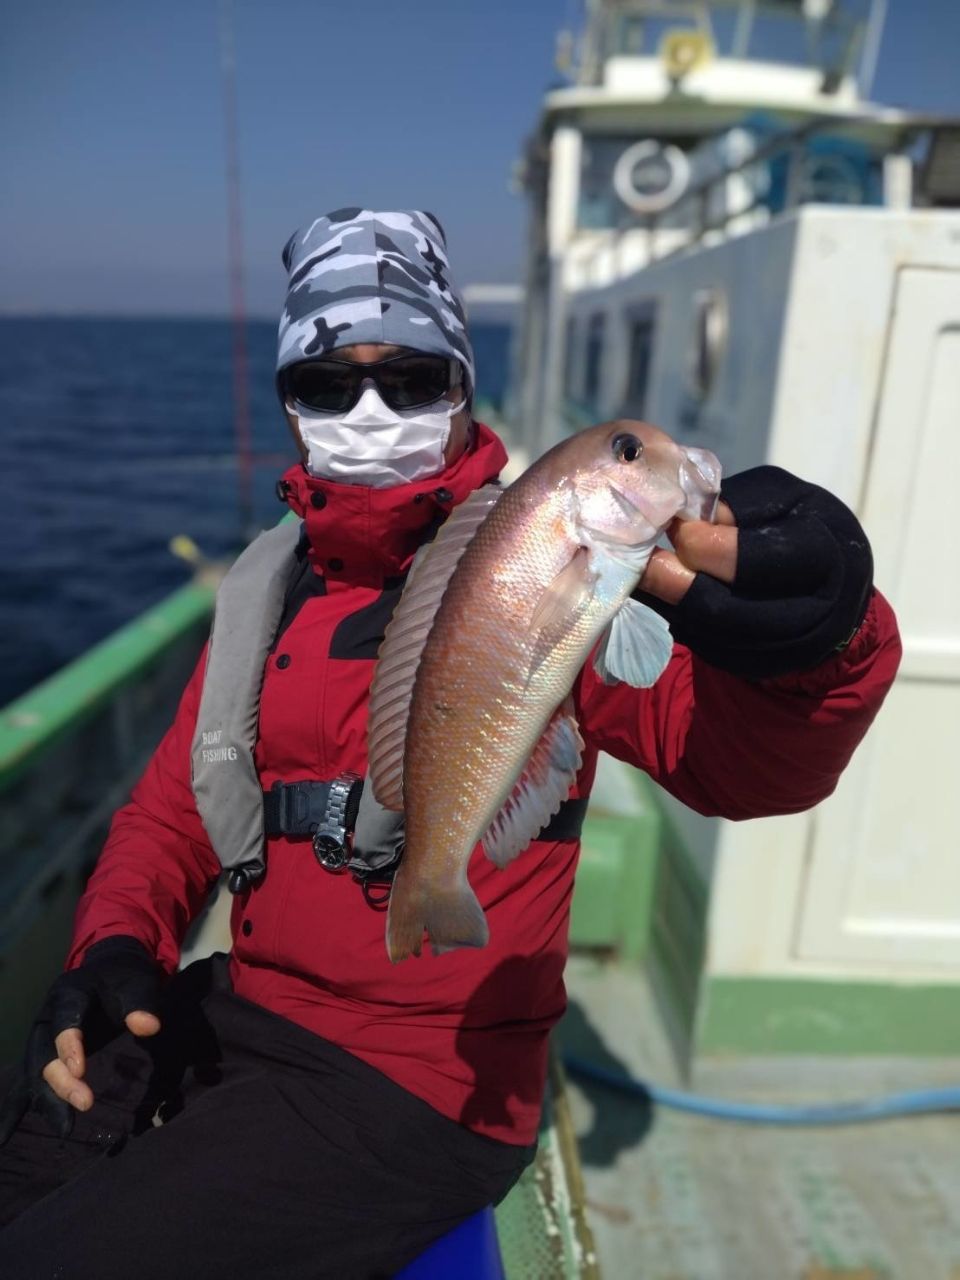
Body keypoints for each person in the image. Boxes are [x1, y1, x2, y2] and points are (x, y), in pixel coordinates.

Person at [0, 208, 901, 1278]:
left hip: (417, 1081)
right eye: (330, 384)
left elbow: (739, 761)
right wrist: (115, 945)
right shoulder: (271, 587)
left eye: (412, 378)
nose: (370, 408)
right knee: (33, 1166)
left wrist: (830, 639)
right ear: (290, 405)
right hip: (247, 1003)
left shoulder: (541, 566)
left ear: (464, 385)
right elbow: (170, 812)